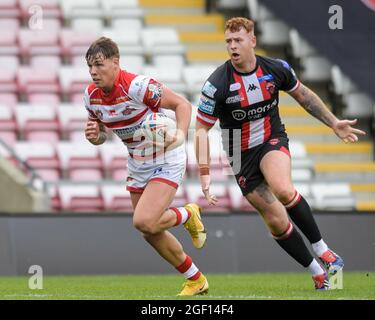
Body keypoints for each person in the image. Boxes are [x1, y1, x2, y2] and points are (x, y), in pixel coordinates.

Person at [194, 17, 366, 290]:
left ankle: (324, 251)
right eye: (228, 41)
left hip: (271, 139)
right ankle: (320, 275)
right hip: (239, 153)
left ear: (252, 40)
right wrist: (204, 174)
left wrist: (334, 122)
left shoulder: (275, 69)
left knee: (283, 189)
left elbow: (304, 96)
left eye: (238, 40)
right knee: (275, 221)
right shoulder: (216, 84)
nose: (232, 46)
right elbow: (201, 130)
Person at [83, 37, 208, 296]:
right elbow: (102, 134)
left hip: (165, 157)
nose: (94, 72)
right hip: (137, 162)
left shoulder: (137, 86)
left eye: (99, 65)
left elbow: (182, 105)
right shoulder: (91, 97)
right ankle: (195, 279)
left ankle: (186, 214)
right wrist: (96, 136)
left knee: (144, 220)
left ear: (116, 63)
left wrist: (181, 135)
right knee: (148, 230)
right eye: (90, 67)